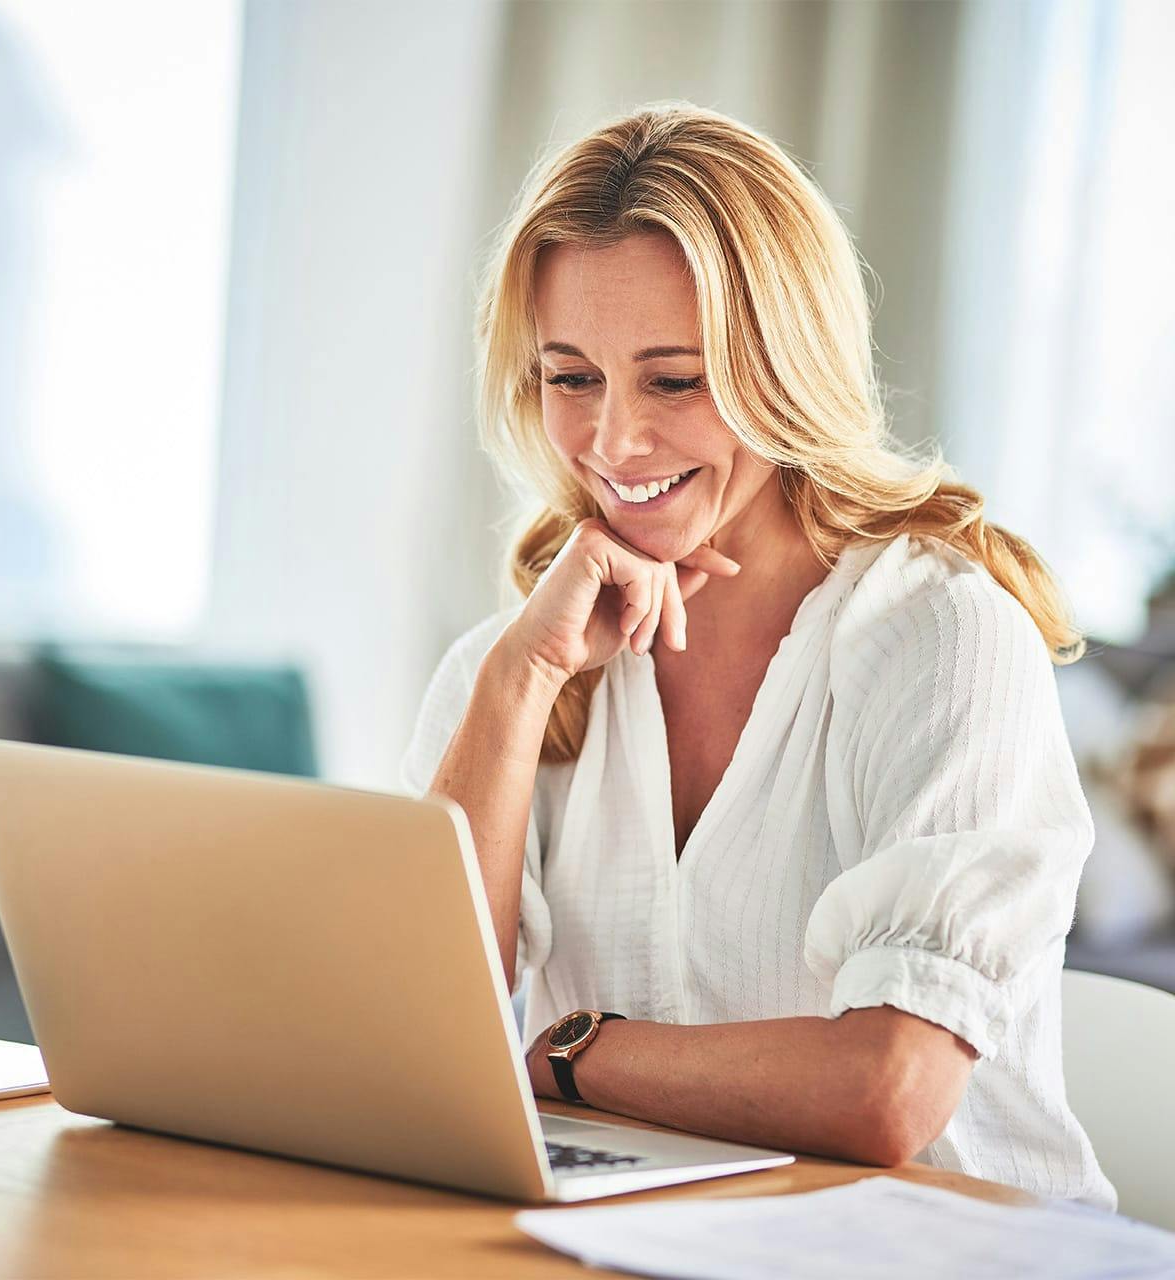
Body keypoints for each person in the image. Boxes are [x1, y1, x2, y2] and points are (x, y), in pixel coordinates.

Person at [399, 101, 1116, 1210]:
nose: (612, 440)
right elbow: (410, 1034)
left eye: (673, 379)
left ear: (784, 369)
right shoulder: (520, 658)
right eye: (570, 376)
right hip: (642, 1241)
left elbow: (884, 1087)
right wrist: (514, 683)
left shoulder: (938, 636)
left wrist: (574, 1053)